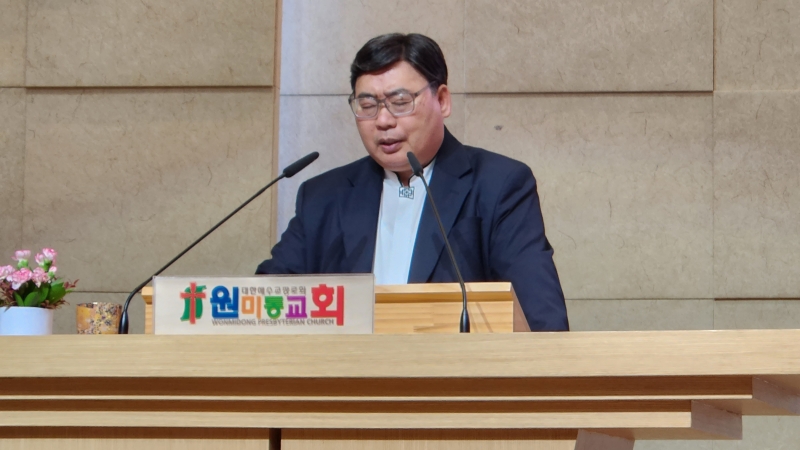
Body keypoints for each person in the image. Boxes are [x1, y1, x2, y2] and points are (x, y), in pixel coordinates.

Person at [257, 33, 569, 331]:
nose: (383, 121)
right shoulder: (324, 197)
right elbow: (265, 304)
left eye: (400, 101)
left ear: (442, 100)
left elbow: (541, 319)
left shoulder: (498, 185)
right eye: (367, 106)